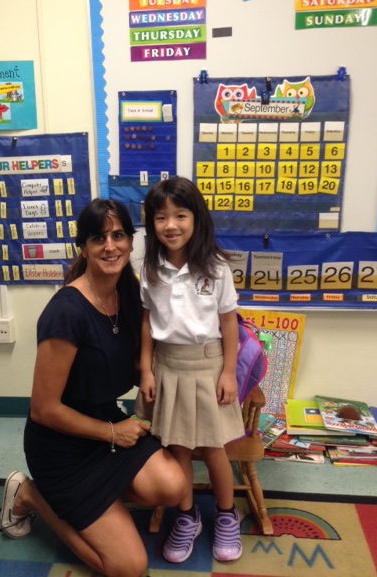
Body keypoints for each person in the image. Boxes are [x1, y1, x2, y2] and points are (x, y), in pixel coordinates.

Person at [0, 198, 187, 577]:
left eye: (118, 235)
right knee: (129, 567)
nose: (110, 246)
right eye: (98, 238)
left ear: (131, 242)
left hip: (106, 424)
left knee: (172, 486)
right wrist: (113, 432)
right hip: (61, 447)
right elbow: (44, 410)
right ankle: (32, 495)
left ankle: (100, 502)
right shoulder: (66, 311)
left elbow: (143, 360)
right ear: (83, 247)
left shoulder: (130, 295)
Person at [138, 176, 244, 564]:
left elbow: (229, 323)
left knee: (214, 450)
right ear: (151, 224)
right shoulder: (150, 269)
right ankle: (187, 516)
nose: (171, 225)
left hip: (209, 365)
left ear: (196, 218)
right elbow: (147, 322)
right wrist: (146, 369)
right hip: (168, 366)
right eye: (160, 217)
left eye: (180, 215)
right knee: (177, 448)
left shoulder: (216, 267)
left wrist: (228, 372)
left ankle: (227, 515)